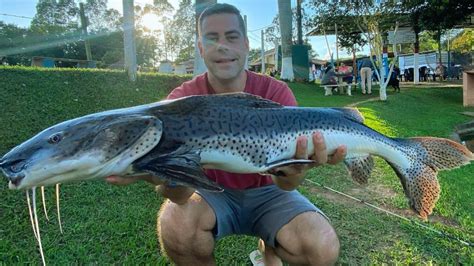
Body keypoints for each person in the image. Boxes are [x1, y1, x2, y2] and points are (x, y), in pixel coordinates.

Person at [107, 3, 346, 265]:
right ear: (200, 48)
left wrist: (296, 169)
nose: (222, 46)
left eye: (231, 37)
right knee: (175, 227)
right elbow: (180, 196)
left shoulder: (276, 93)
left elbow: (287, 184)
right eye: (212, 38)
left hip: (269, 191)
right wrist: (157, 173)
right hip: (209, 193)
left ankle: (269, 247)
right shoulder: (181, 101)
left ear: (245, 44)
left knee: (321, 247)